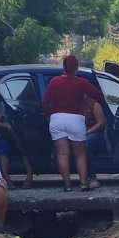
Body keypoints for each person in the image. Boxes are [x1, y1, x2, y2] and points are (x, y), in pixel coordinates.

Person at [42, 55, 104, 192]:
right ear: (76, 67)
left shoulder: (54, 82)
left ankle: (67, 185)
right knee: (80, 154)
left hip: (57, 119)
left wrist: (48, 115)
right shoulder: (81, 82)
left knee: (62, 154)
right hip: (76, 119)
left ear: (63, 67)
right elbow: (98, 94)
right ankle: (83, 183)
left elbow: (45, 101)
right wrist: (84, 100)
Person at [0, 101, 33, 189]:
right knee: (2, 150)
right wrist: (6, 125)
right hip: (6, 134)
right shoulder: (2, 105)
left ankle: (29, 177)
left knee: (25, 151)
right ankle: (7, 179)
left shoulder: (23, 102)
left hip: (20, 134)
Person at [82, 94, 106, 189]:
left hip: (93, 132)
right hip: (75, 133)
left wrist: (87, 132)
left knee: (87, 145)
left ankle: (92, 178)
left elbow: (101, 123)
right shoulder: (70, 103)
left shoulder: (94, 104)